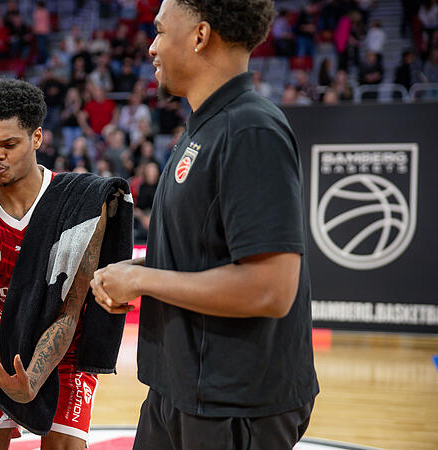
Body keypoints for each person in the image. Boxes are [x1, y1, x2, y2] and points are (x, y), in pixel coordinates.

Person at [90, 1, 319, 448]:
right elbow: (202, 257)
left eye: (160, 31)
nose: (151, 47)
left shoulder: (251, 130)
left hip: (233, 405)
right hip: (179, 389)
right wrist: (134, 276)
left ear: (200, 35)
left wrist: (142, 280)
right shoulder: (205, 127)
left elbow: (270, 289)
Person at [0, 79, 126, 450]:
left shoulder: (80, 207)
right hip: (0, 348)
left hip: (65, 352)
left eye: (8, 144)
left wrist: (32, 379)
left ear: (37, 138)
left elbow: (70, 311)